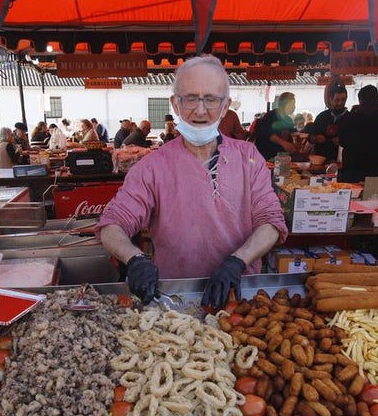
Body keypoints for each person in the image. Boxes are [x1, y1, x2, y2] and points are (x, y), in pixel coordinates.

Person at [96, 55, 287, 309]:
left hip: (240, 298)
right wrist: (134, 258)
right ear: (175, 104)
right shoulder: (152, 167)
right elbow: (112, 224)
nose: (200, 110)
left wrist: (238, 261)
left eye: (211, 99)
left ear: (225, 106)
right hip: (174, 300)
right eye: (190, 99)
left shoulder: (248, 158)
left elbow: (271, 222)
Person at [306, 80, 348, 162]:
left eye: (343, 100)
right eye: (337, 100)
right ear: (330, 100)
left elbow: (357, 140)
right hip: (320, 162)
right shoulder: (322, 117)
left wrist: (344, 140)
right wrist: (314, 138)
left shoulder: (351, 118)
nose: (340, 103)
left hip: (343, 163)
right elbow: (309, 136)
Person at [253, 92, 297, 160]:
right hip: (266, 156)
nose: (294, 107)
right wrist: (283, 142)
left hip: (282, 158)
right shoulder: (270, 116)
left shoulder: (289, 120)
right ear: (284, 104)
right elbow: (267, 133)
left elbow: (291, 137)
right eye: (292, 104)